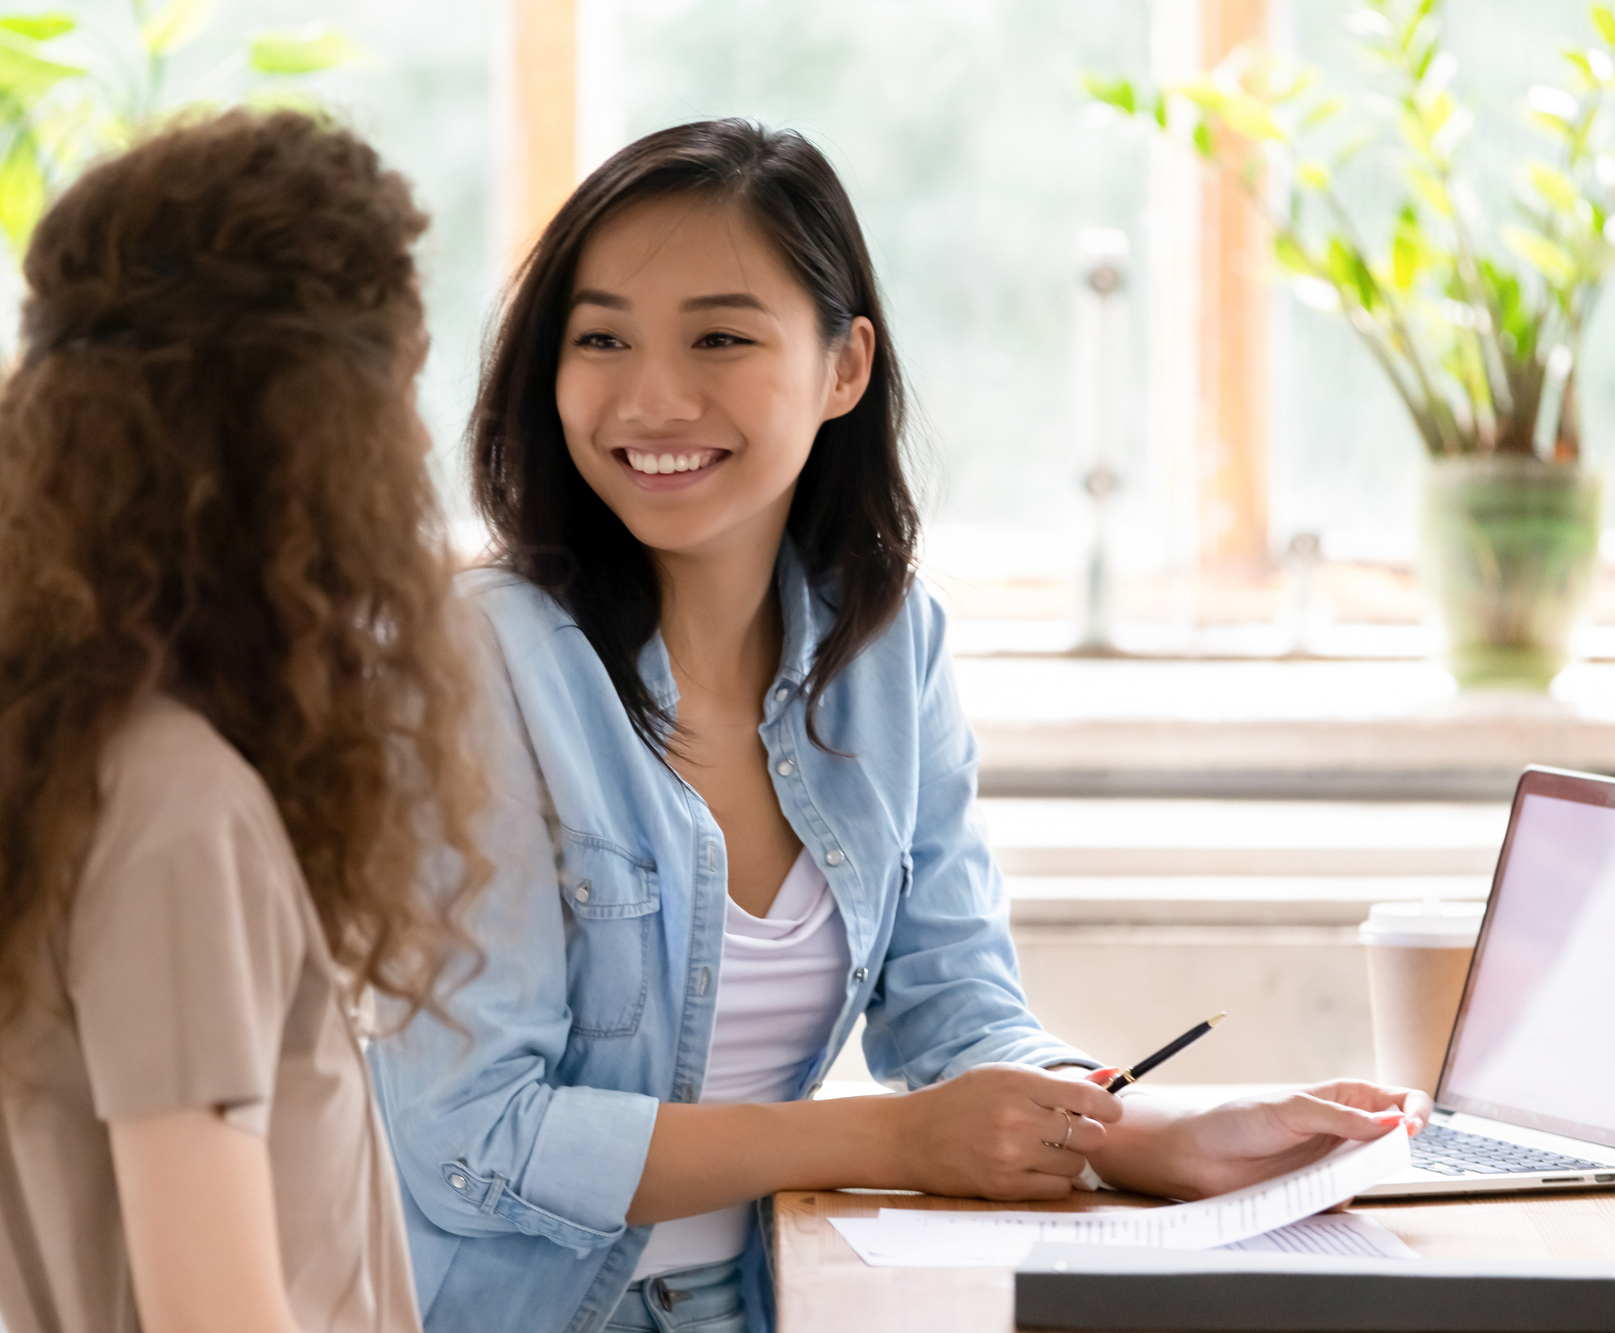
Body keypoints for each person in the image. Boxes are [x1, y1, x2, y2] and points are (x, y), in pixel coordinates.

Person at [369, 119, 1431, 1333]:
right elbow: (470, 1133)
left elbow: (956, 1007)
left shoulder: (884, 646)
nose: (652, 396)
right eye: (600, 337)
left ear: (843, 367)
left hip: (765, 1299)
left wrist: (1159, 1136)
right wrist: (887, 1134)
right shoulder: (474, 660)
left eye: (720, 336)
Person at [0, 109, 487, 1333]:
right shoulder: (174, 810)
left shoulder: (78, 762)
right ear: (297, 430)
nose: (419, 442)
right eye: (399, 388)